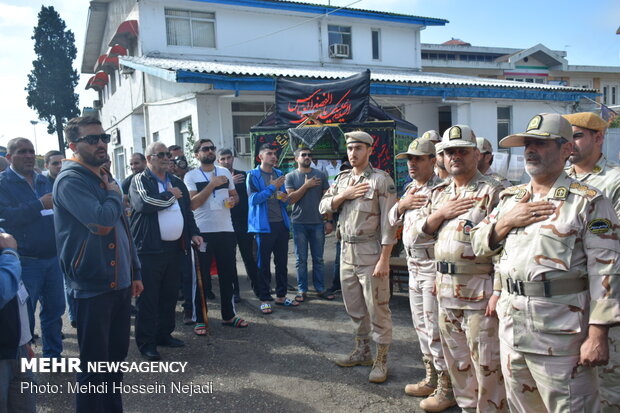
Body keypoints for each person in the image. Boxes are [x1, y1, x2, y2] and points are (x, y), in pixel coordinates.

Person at [470, 112, 620, 412]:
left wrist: (598, 334)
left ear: (566, 150)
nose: (530, 150)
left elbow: (607, 269)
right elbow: (477, 244)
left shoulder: (588, 201)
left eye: (541, 143)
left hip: (561, 337)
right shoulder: (512, 199)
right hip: (513, 328)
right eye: (527, 143)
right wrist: (504, 223)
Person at [413, 125, 506, 412]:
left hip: (480, 291)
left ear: (477, 154)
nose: (455, 156)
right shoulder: (440, 193)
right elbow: (418, 235)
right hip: (444, 288)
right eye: (449, 151)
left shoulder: (494, 190)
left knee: (487, 365)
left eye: (462, 151)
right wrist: (440, 214)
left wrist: (499, 290)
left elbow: (505, 248)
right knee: (458, 363)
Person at [54, 116, 143, 413]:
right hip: (92, 285)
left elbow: (123, 228)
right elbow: (102, 222)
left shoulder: (104, 176)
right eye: (92, 139)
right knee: (94, 368)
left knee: (114, 364)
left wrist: (135, 271)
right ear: (73, 145)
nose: (101, 143)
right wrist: (114, 194)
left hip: (118, 283)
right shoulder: (71, 179)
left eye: (103, 137)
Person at [319, 131, 397, 384]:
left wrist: (385, 258)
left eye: (359, 148)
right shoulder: (342, 179)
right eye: (350, 148)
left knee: (377, 308)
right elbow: (323, 206)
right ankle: (362, 351)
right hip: (345, 251)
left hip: (370, 252)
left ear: (369, 150)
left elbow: (389, 223)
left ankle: (381, 358)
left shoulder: (380, 180)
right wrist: (344, 195)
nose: (353, 153)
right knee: (354, 307)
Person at [388, 138, 455, 411]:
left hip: (432, 267)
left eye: (418, 159)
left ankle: (446, 388)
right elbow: (392, 218)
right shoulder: (409, 189)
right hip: (413, 266)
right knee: (420, 327)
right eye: (409, 159)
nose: (412, 164)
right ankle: (431, 377)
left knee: (435, 329)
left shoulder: (443, 191)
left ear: (432, 160)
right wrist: (403, 205)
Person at [563, 111, 620, 412]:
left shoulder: (614, 180)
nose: (570, 143)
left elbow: (612, 245)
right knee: (572, 385)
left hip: (603, 295)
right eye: (566, 137)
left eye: (577, 135)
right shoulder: (559, 178)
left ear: (598, 137)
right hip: (565, 304)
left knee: (608, 385)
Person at [129, 142, 202, 359]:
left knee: (169, 295)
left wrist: (194, 233)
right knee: (148, 298)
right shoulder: (140, 180)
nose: (166, 158)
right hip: (150, 249)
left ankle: (164, 335)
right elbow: (144, 203)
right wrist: (171, 196)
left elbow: (187, 213)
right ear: (149, 158)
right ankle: (146, 343)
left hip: (175, 248)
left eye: (168, 155)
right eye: (161, 154)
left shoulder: (176, 181)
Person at [0, 138, 65, 359]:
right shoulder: (3, 183)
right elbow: (6, 217)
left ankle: (53, 357)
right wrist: (38, 205)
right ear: (9, 157)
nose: (28, 156)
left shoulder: (44, 181)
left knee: (54, 313)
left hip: (53, 258)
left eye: (31, 151)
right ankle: (22, 366)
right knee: (24, 317)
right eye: (22, 152)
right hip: (26, 262)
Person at [185, 139, 248, 332]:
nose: (210, 151)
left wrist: (233, 200)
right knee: (201, 278)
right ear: (197, 154)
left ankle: (229, 315)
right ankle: (201, 318)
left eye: (212, 148)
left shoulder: (224, 172)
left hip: (226, 230)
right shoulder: (191, 176)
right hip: (202, 232)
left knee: (227, 274)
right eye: (206, 149)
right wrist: (211, 185)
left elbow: (235, 196)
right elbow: (193, 204)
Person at [247, 143, 299, 315]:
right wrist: (272, 187)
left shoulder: (279, 174)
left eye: (274, 154)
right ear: (260, 157)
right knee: (263, 264)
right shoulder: (253, 176)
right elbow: (253, 200)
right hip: (263, 226)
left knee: (282, 262)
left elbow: (284, 200)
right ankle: (264, 298)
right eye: (269, 153)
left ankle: (281, 296)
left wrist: (284, 196)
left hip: (280, 224)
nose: (273, 156)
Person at [285, 147, 334, 302]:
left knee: (318, 259)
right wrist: (306, 186)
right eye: (303, 155)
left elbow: (328, 200)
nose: (307, 157)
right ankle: (302, 290)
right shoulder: (291, 176)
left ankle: (320, 289)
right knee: (301, 259)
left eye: (309, 155)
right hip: (299, 223)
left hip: (318, 223)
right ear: (296, 159)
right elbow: (290, 199)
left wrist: (329, 221)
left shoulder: (320, 175)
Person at [0, 232, 36, 413]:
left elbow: (17, 291)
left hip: (17, 346)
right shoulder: (7, 250)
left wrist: (24, 338)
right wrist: (10, 254)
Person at [217, 148, 259, 299]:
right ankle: (235, 292)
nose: (227, 161)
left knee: (249, 257)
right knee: (230, 259)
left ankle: (259, 290)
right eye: (223, 159)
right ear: (218, 161)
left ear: (233, 158)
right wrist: (229, 183)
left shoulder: (243, 175)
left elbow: (252, 198)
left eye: (229, 158)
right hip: (225, 223)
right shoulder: (216, 178)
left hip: (243, 222)